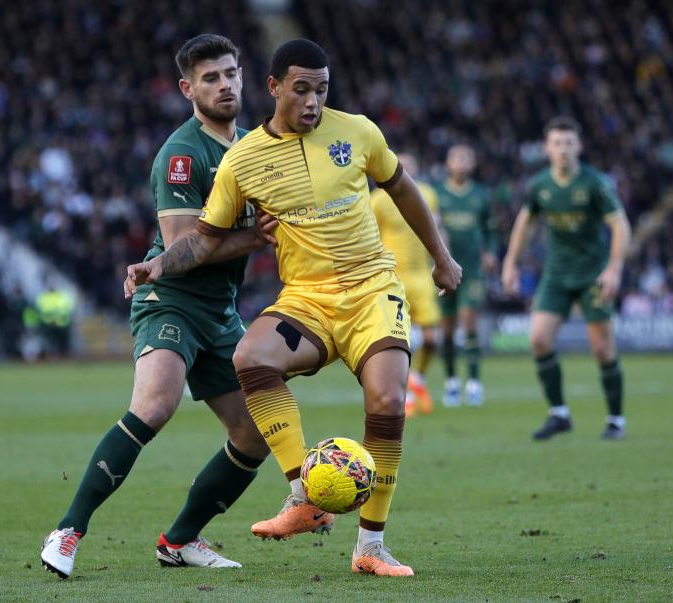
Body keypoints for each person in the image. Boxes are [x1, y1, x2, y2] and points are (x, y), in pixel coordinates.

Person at [126, 39, 461, 577]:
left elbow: (403, 188)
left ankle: (370, 548)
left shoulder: (357, 131)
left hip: (373, 290)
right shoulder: (244, 159)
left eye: (321, 90)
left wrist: (441, 258)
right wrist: (158, 265)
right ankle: (302, 495)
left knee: (388, 400)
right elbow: (206, 238)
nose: (312, 101)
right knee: (251, 358)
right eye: (301, 89)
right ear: (274, 87)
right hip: (306, 298)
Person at [41, 34, 276, 578]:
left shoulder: (253, 150)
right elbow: (182, 247)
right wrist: (255, 238)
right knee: (155, 404)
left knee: (254, 435)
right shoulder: (182, 152)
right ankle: (69, 529)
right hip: (169, 297)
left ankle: (180, 541)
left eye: (230, 73)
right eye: (210, 77)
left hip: (220, 310)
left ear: (243, 77)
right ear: (187, 88)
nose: (223, 84)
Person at [501, 117, 632, 441]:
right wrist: (510, 263)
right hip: (556, 275)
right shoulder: (540, 185)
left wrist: (614, 268)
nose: (562, 149)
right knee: (539, 340)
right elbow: (525, 223)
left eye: (569, 143)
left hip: (592, 275)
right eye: (557, 143)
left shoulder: (595, 184)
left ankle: (616, 420)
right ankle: (559, 413)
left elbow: (620, 225)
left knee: (602, 349)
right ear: (546, 148)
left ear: (579, 146)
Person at [370, 153, 443, 416]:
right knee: (401, 342)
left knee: (433, 339)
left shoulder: (428, 194)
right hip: (392, 277)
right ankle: (406, 395)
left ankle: (418, 380)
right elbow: (370, 238)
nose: (405, 170)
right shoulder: (378, 200)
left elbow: (437, 229)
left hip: (422, 275)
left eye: (410, 166)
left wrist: (442, 259)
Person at [435, 144, 499, 407]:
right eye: (457, 157)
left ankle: (473, 383)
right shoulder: (437, 194)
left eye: (466, 157)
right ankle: (451, 382)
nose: (462, 161)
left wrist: (492, 252)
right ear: (448, 163)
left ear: (472, 163)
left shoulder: (481, 195)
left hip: (471, 270)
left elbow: (492, 230)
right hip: (443, 270)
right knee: (447, 330)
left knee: (469, 323)